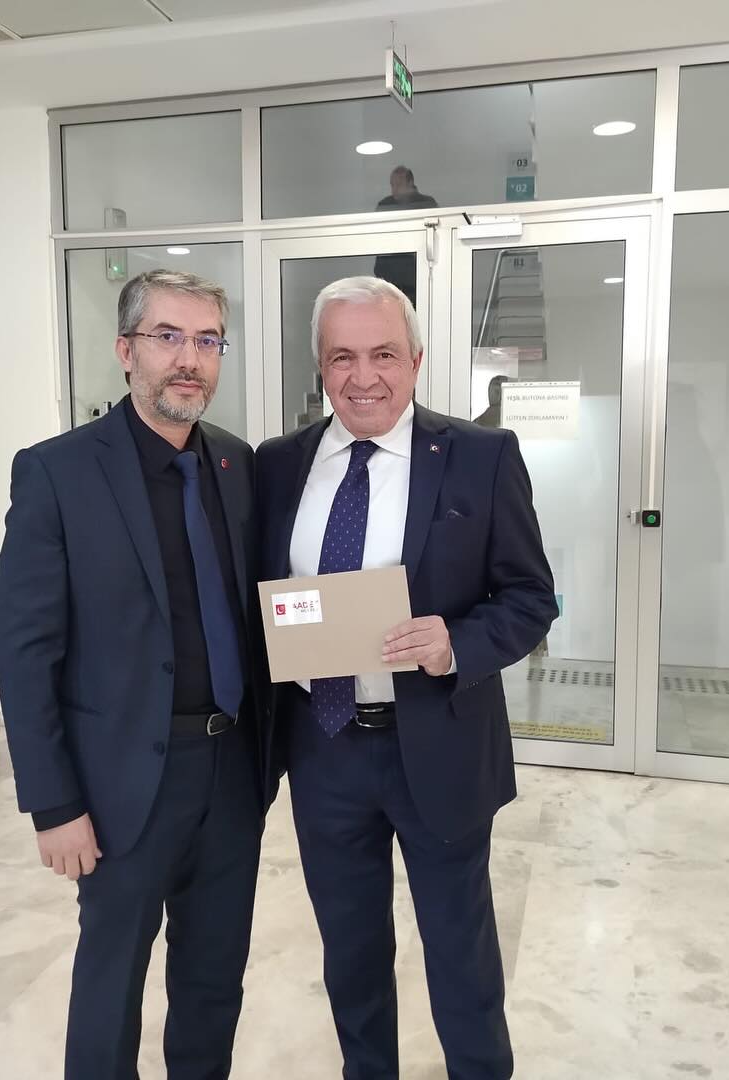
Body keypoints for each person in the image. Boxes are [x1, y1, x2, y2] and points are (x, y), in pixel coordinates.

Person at [256, 276, 557, 1079]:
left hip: (439, 743)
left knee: (460, 950)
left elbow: (532, 598)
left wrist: (456, 643)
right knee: (350, 950)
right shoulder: (278, 466)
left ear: (416, 361)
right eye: (342, 357)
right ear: (320, 367)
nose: (364, 377)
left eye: (384, 354)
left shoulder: (481, 457)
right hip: (324, 747)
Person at [0, 269, 272, 1079]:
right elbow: (25, 651)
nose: (189, 359)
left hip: (232, 770)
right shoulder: (58, 472)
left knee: (215, 974)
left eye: (207, 341)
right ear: (125, 351)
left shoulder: (236, 464)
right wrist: (54, 805)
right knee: (112, 978)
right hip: (121, 780)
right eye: (168, 337)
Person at [373, 167, 438, 307]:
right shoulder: (385, 206)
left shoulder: (426, 204)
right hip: (389, 277)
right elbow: (379, 239)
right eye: (392, 185)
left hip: (418, 277)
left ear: (410, 183)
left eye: (398, 184)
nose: (394, 189)